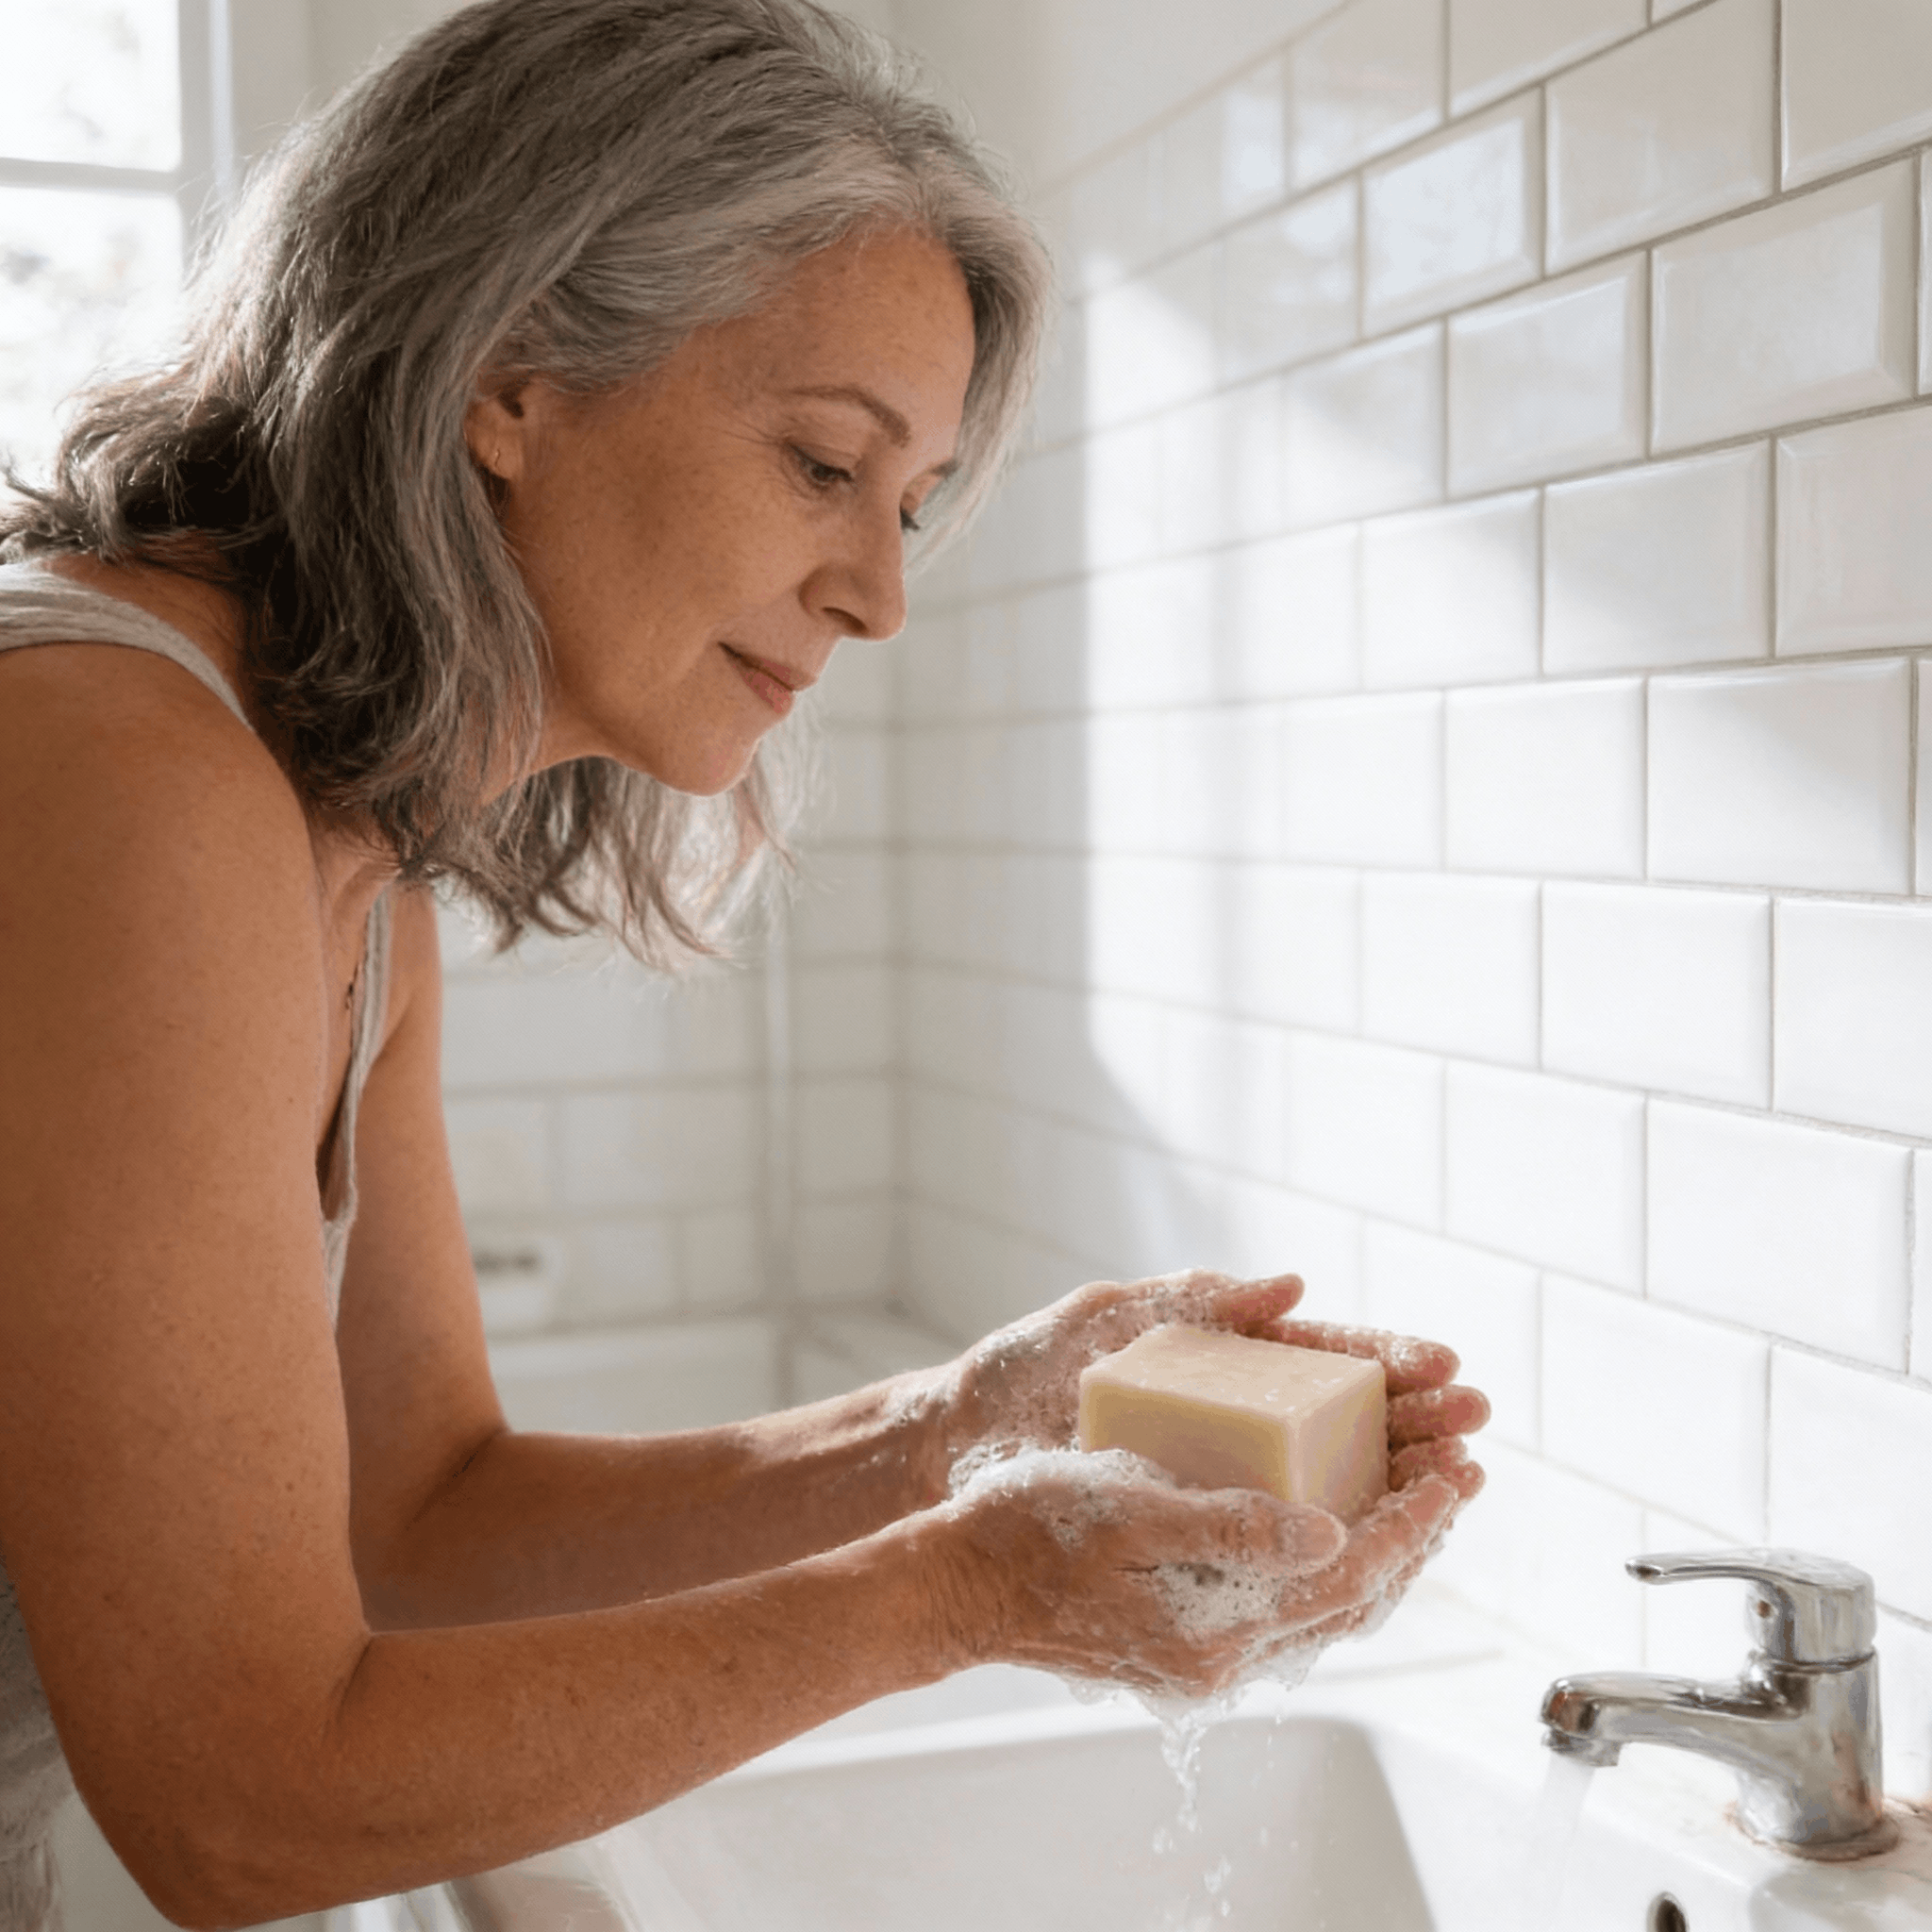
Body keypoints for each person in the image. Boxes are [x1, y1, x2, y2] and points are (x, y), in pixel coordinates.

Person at [0, 1, 1489, 1925]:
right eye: (818, 463)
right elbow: (240, 1797)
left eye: (909, 504)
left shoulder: (336, 834)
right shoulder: (121, 775)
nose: (876, 592)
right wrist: (972, 1583)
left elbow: (418, 1514)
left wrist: (968, 1422)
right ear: (509, 368)